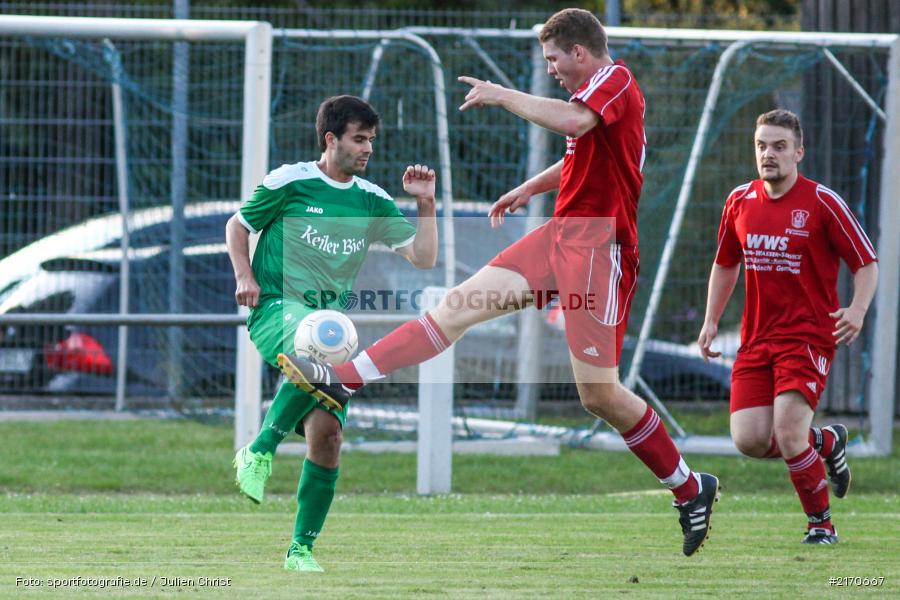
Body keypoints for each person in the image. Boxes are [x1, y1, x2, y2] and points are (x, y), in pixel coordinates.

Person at [279, 8, 719, 557]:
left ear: (579, 51)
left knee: (599, 395)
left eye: (554, 59)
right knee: (458, 306)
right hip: (561, 237)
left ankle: (690, 486)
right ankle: (345, 379)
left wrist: (502, 94)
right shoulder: (596, 94)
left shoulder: (615, 81)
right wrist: (529, 189)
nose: (553, 69)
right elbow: (581, 153)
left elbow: (575, 124)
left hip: (600, 251)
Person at [225, 95, 438, 572]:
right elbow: (237, 226)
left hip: (328, 327)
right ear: (331, 139)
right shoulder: (291, 180)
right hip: (275, 308)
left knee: (328, 437)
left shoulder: (371, 199)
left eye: (371, 141)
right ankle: (259, 451)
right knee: (322, 338)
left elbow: (423, 258)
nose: (367, 149)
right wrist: (245, 275)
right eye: (359, 139)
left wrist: (425, 204)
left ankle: (300, 551)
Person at [697, 109, 879, 545]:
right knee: (749, 440)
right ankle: (826, 443)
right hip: (757, 338)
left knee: (788, 432)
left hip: (809, 334)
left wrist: (856, 309)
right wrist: (710, 320)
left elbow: (866, 263)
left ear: (799, 152)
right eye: (761, 145)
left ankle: (822, 525)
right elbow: (725, 264)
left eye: (779, 146)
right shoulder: (738, 201)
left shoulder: (822, 203)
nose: (768, 154)